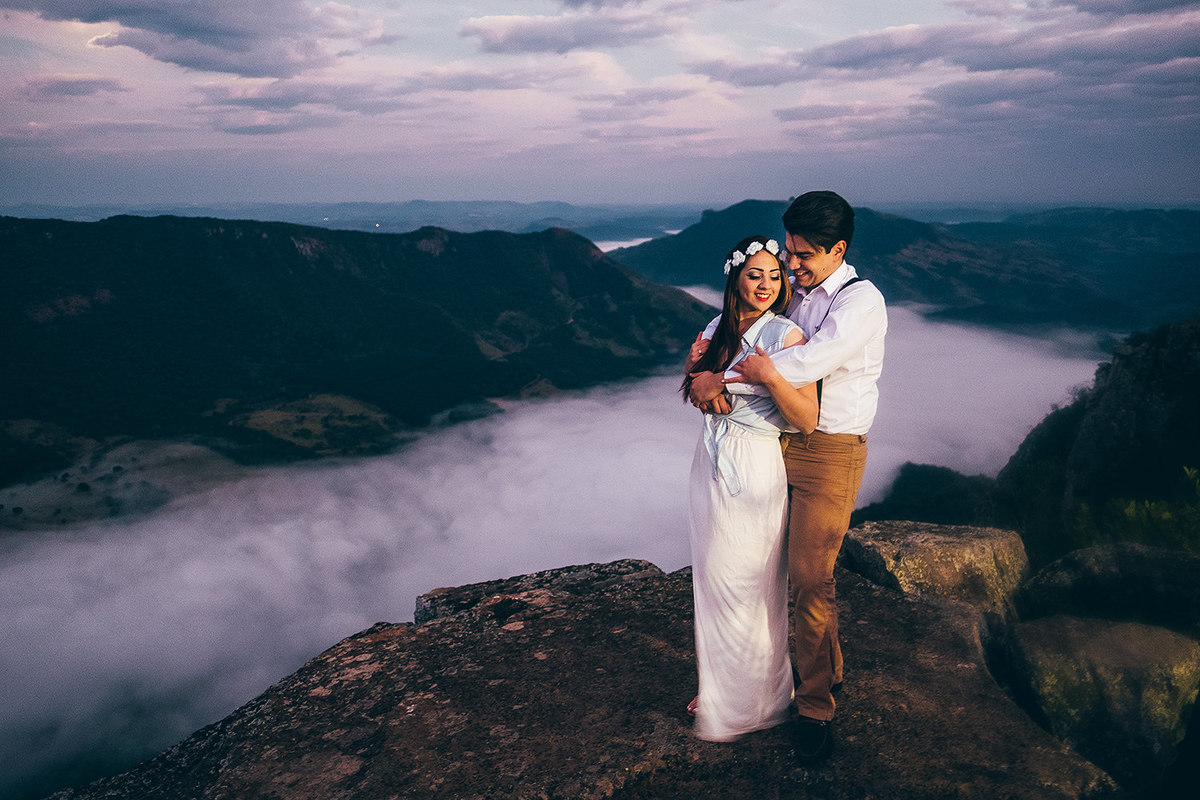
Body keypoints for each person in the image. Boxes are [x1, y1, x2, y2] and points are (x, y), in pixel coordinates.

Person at [689, 192, 887, 762]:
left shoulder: (861, 302)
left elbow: (805, 365)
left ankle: (815, 707)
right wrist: (704, 369)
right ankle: (826, 670)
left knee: (808, 577)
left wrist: (720, 378)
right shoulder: (795, 299)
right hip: (777, 447)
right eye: (789, 254)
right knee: (772, 572)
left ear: (838, 249)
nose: (791, 266)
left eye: (802, 256)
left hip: (830, 450)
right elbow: (757, 346)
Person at [681, 235, 819, 742]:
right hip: (709, 461)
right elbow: (700, 394)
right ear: (735, 278)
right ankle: (720, 686)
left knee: (747, 584)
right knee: (713, 580)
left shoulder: (785, 337)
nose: (766, 284)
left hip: (753, 465)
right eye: (755, 274)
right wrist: (695, 373)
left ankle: (754, 701)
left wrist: (767, 378)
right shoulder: (717, 328)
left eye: (775, 275)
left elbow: (806, 419)